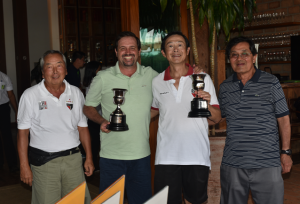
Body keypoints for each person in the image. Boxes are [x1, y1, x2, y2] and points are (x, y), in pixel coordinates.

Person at [219, 36, 293, 204]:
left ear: (254, 57)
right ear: (229, 59)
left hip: (267, 162)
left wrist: (286, 152)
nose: (239, 59)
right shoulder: (225, 87)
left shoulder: (271, 82)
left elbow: (283, 119)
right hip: (233, 163)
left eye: (244, 54)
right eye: (234, 55)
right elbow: (218, 117)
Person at [150, 31, 221, 204]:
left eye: (180, 45)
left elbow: (217, 118)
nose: (176, 49)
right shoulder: (157, 82)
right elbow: (153, 111)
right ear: (163, 53)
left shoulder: (203, 78)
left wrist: (207, 104)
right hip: (166, 155)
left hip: (196, 154)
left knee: (195, 201)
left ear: (188, 50)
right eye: (170, 45)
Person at [17, 50, 94, 204]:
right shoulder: (30, 95)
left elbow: (83, 128)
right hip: (44, 162)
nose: (55, 71)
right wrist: (24, 165)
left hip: (73, 159)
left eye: (59, 66)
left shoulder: (76, 93)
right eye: (49, 66)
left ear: (65, 70)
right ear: (43, 73)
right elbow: (22, 134)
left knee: (76, 201)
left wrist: (89, 157)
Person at [83, 61, 102, 172]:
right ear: (95, 71)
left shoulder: (88, 82)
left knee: (95, 142)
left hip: (93, 117)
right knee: (94, 142)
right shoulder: (94, 83)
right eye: (99, 69)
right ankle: (94, 164)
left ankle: (94, 163)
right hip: (95, 117)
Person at [0, 71, 19, 172]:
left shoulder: (4, 77)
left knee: (7, 136)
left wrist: (17, 111)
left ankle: (12, 164)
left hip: (3, 109)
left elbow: (11, 95)